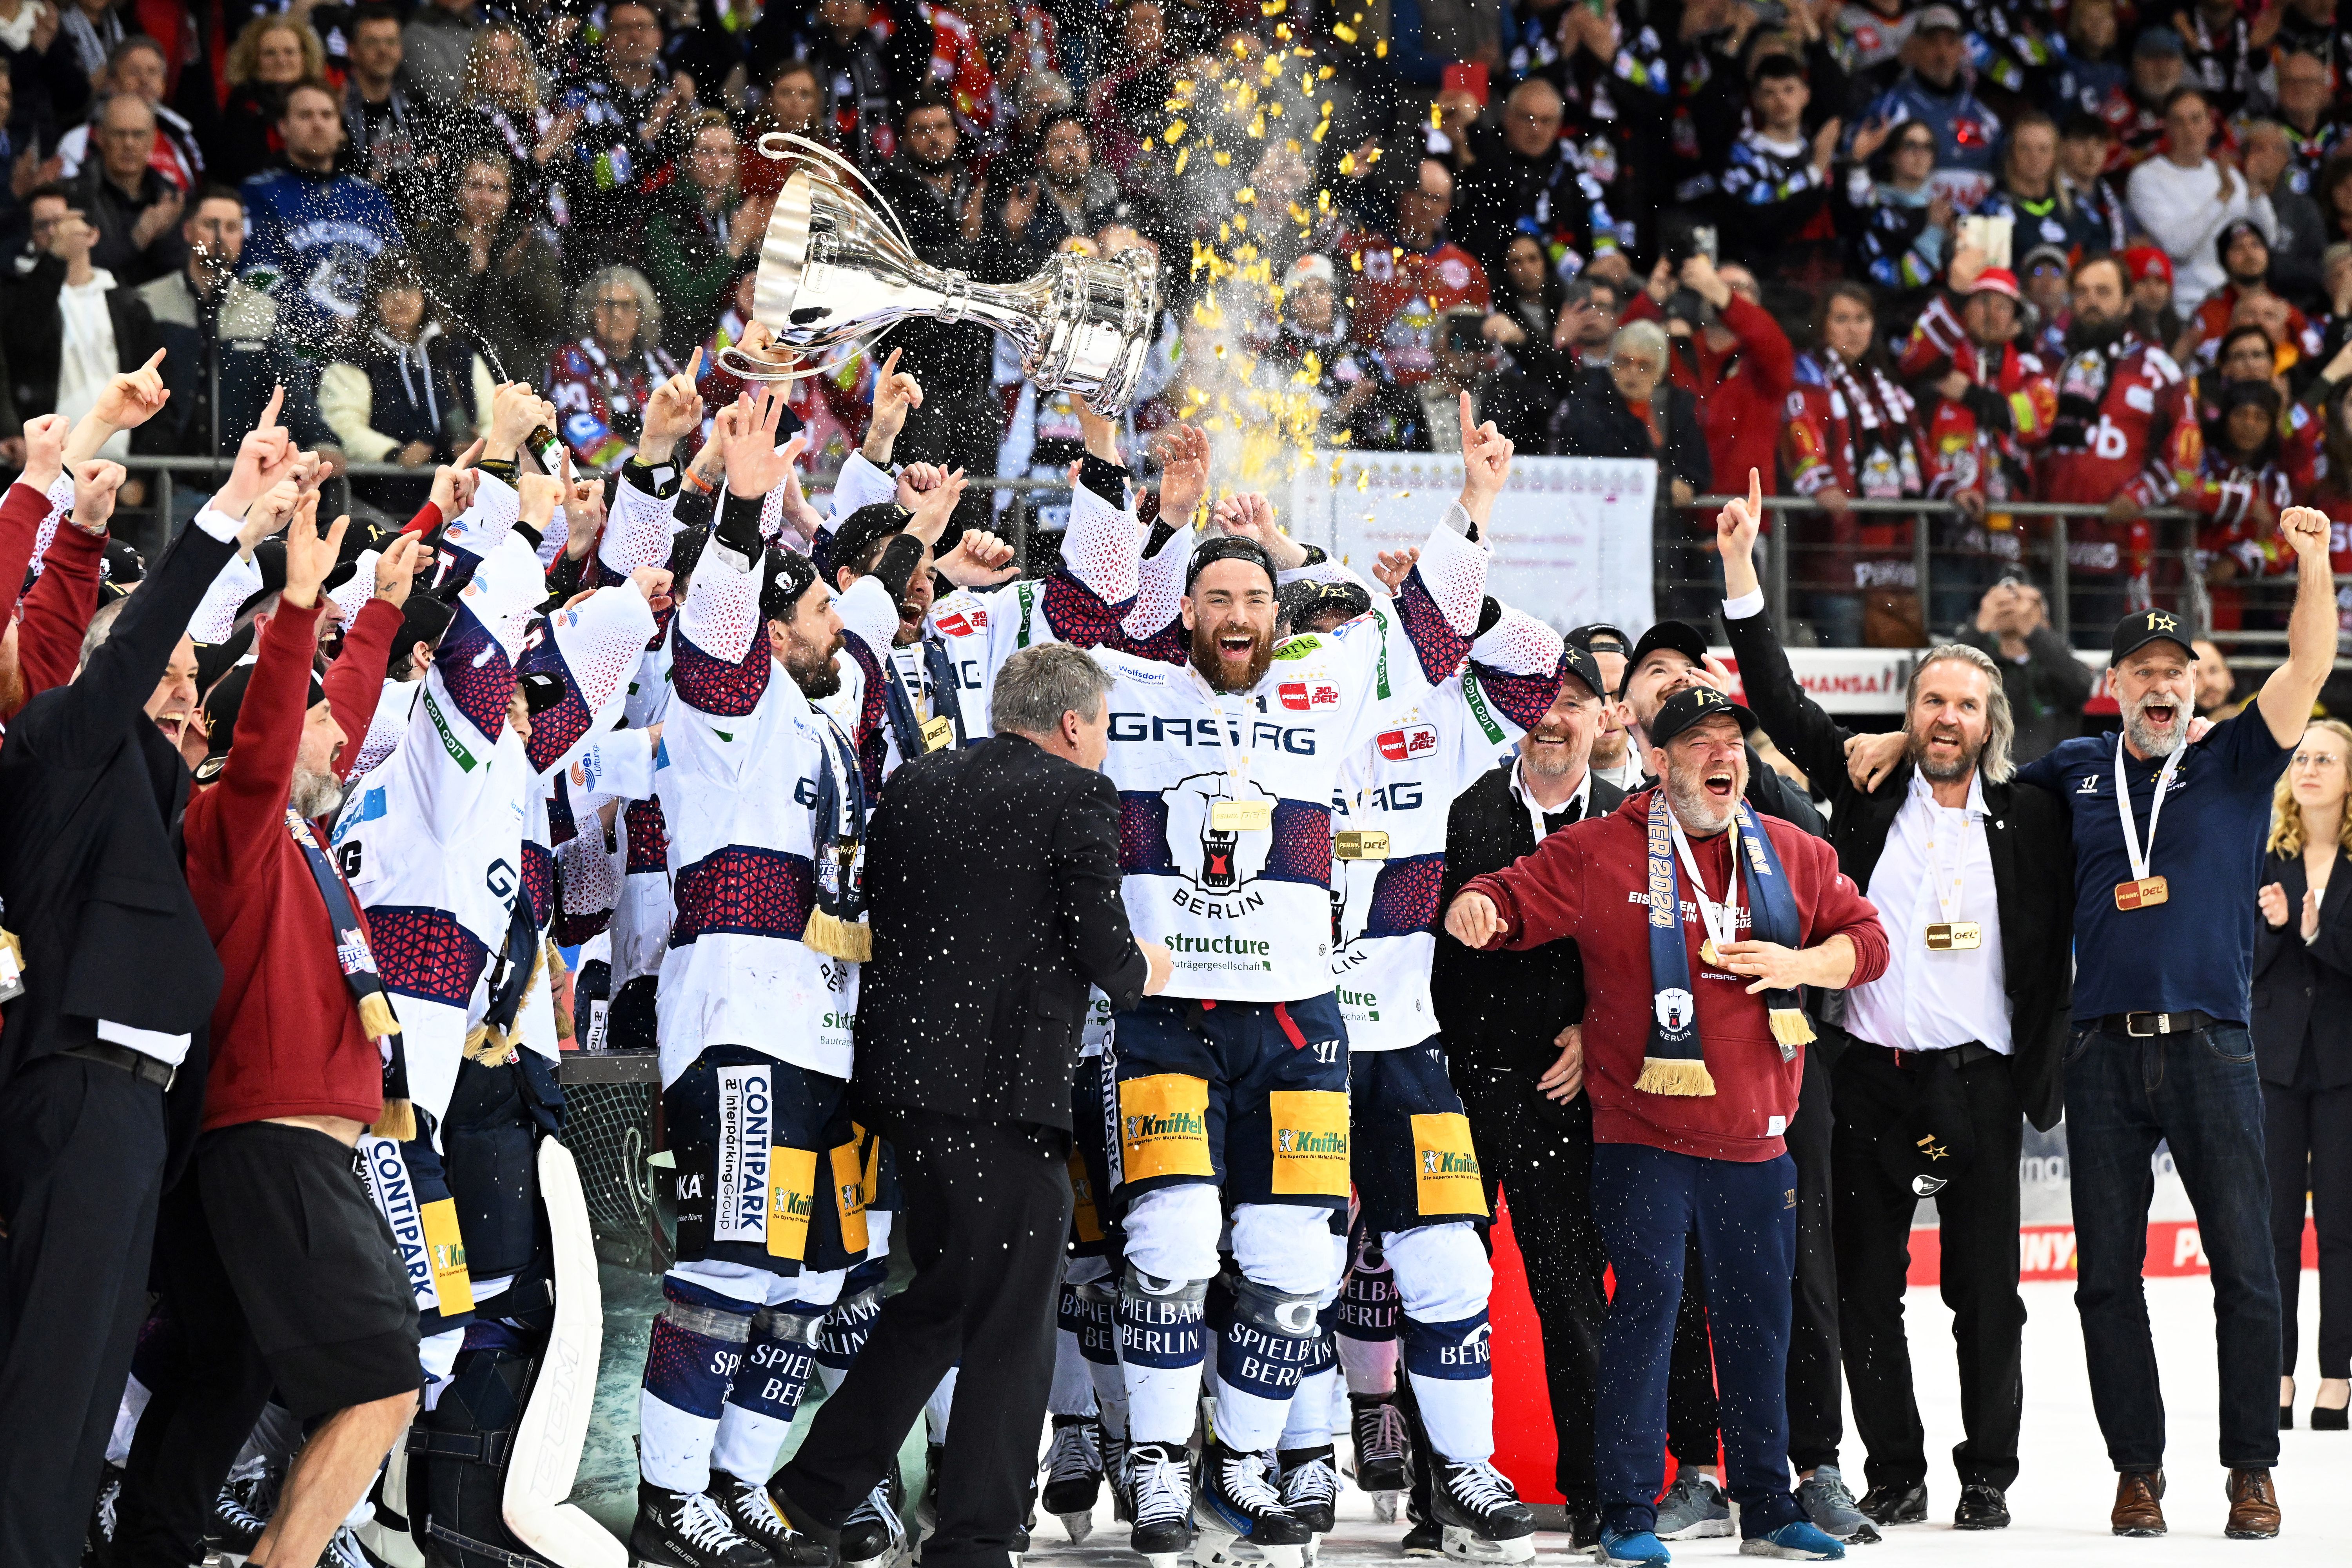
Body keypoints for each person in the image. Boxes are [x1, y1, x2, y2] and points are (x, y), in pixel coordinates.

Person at [1848, 505, 2339, 1539]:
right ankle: (2139, 1472)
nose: (2161, 686)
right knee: (2106, 1283)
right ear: (2115, 684)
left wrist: (2311, 562)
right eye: (2142, 670)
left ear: (2201, 682)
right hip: (2101, 1057)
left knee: (2249, 1272)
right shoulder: (2071, 771)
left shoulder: (2241, 761)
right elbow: (1961, 775)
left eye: (2179, 670)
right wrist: (1905, 730)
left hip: (2214, 1044)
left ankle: (2252, 1469)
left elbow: (2307, 664)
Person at [1443, 679, 1888, 1568]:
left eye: (1734, 741)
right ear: (1655, 758)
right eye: (1700, 743)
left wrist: (1801, 958)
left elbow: (1868, 941)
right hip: (1644, 1138)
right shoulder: (1603, 850)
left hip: (1760, 1142)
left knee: (1760, 1326)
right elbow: (1507, 893)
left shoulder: (1792, 850)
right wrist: (1478, 908)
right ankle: (1625, 1511)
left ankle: (1766, 1504)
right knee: (1645, 1318)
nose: (1724, 756)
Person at [1718, 478, 2075, 1535]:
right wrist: (1743, 570)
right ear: (1909, 714)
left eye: (1966, 704)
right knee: (1870, 1294)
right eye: (1931, 701)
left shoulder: (2035, 818)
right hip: (1866, 1080)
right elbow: (1777, 705)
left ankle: (1989, 1473)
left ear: (1991, 721)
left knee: (1986, 1298)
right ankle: (1898, 1469)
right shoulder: (1865, 791)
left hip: (1977, 1085)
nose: (1948, 718)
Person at [769, 643, 1169, 1568]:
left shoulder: (916, 783)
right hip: (1003, 1094)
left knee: (948, 1300)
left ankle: (812, 1492)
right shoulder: (1077, 795)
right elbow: (1107, 951)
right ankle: (976, 1542)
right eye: (1102, 727)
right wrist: (1154, 966)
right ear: (1073, 723)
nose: (1103, 746)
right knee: (1012, 1324)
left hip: (907, 1085)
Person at [110, 492, 428, 1568]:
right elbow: (273, 733)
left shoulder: (292, 829)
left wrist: (377, 613)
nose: (344, 731)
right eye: (323, 722)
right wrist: (297, 608)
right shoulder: (231, 823)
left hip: (261, 1151)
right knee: (383, 1388)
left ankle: (146, 1551)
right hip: (276, 1148)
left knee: (226, 1371)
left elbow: (322, 703)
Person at [0, 362, 255, 1568]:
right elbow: (104, 646)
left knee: (79, 1386)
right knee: (53, 1399)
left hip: (130, 1109)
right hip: (84, 1084)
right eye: (164, 678)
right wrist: (208, 522)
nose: (176, 694)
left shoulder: (122, 777)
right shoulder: (54, 742)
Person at [1430, 643, 1621, 1545]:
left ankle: (1595, 1496)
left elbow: (1660, 956)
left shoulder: (1632, 825)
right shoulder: (1461, 809)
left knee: (1573, 1297)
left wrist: (1599, 1033)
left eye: (1576, 700)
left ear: (1605, 720)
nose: (1555, 714)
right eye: (1542, 696)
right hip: (1460, 1087)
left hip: (1566, 1097)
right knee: (1442, 1296)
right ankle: (1442, 1499)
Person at [2255, 719, 2352, 1435]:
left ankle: (2338, 1374)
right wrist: (2281, 927)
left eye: (2327, 758)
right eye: (2304, 756)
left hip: (2347, 1066)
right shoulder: (2265, 858)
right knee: (2276, 1228)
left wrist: (2316, 932)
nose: (2311, 767)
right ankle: (2278, 1370)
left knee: (2344, 1228)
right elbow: (2241, 962)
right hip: (2276, 1065)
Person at [238, 80, 405, 341]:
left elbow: (401, 274)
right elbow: (257, 277)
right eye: (306, 115)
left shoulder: (370, 196)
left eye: (327, 115)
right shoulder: (259, 193)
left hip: (375, 345)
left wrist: (373, 326)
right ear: (283, 127)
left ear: (340, 127)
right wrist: (325, 321)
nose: (318, 124)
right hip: (298, 348)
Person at [2127, 86, 2259, 312]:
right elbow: (2178, 248)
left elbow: (2266, 240)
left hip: (2236, 300)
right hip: (2183, 303)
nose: (2189, 130)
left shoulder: (2229, 174)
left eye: (2196, 120)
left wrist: (2259, 194)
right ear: (2166, 128)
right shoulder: (2146, 178)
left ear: (2210, 125)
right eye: (2178, 122)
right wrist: (2222, 197)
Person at [546, 267, 684, 474]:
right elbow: (576, 424)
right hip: (599, 485)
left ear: (641, 313)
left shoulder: (659, 360)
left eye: (626, 305)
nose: (617, 314)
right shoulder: (571, 359)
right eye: (608, 305)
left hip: (663, 478)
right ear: (592, 311)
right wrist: (639, 467)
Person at [1951, 578, 2094, 764]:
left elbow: (2079, 686)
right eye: (2004, 602)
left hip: (2051, 784)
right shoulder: (1981, 669)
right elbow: (1947, 678)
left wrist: (2034, 633)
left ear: (2045, 619)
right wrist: (1978, 628)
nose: (2013, 607)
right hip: (1992, 781)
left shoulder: (2060, 663)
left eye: (2025, 602)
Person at [63, 93, 184, 288]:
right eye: (119, 134)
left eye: (138, 134)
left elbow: (180, 271)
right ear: (100, 137)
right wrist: (139, 237)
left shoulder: (169, 197)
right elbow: (82, 266)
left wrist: (162, 236)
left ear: (153, 139)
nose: (129, 144)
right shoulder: (76, 194)